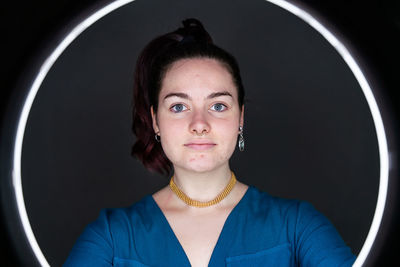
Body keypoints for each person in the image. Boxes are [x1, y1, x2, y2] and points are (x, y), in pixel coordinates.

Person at [64, 18, 356, 267]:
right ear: (155, 121)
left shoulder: (298, 227)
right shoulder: (112, 237)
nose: (199, 124)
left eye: (218, 106)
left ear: (240, 117)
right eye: (179, 106)